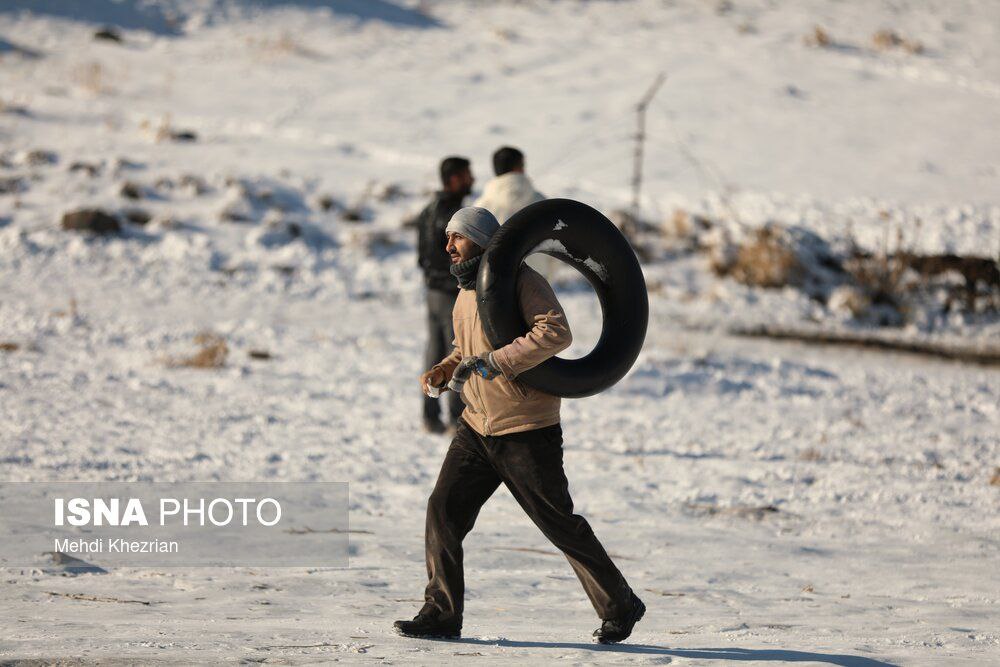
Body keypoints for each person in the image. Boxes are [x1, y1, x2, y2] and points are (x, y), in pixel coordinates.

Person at [395, 207, 645, 644]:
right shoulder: (465, 290)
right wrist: (442, 369)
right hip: (477, 427)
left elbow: (555, 333)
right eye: (448, 238)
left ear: (482, 240)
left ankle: (621, 604)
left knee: (557, 523)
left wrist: (498, 362)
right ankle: (440, 613)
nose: (448, 246)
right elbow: (466, 347)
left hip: (526, 428)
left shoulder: (523, 282)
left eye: (457, 238)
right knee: (443, 511)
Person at [415, 156, 474, 434]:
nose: (471, 180)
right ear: (454, 179)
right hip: (451, 293)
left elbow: (422, 258)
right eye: (466, 175)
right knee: (458, 353)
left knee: (435, 351)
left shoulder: (426, 211)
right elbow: (455, 257)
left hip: (432, 292)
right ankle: (456, 419)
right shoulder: (453, 216)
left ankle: (430, 416)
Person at [474, 146, 557, 281]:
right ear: (519, 167)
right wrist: (548, 278)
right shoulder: (541, 202)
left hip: (496, 281)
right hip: (538, 280)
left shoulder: (481, 207)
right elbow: (555, 244)